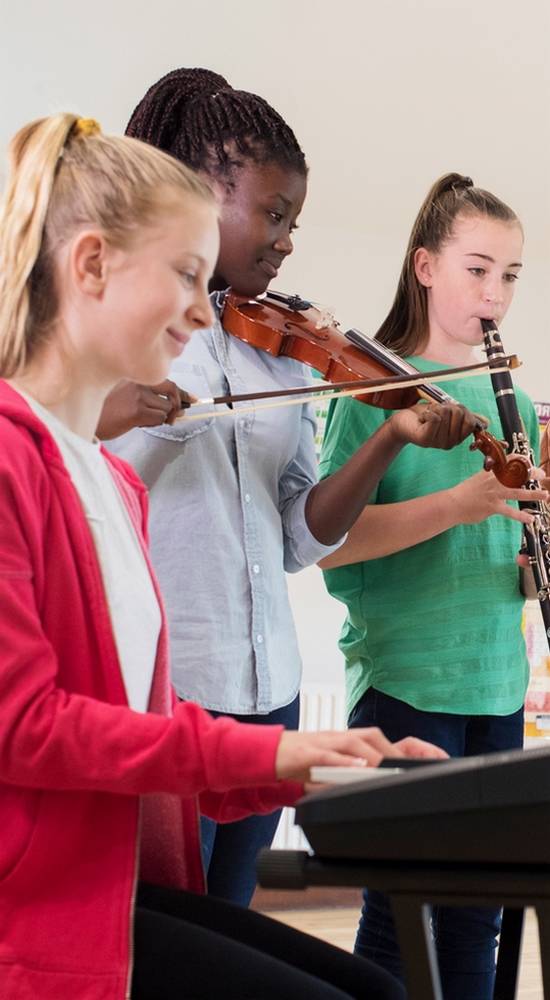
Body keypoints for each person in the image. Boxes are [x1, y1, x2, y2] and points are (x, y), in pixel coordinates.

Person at [0, 109, 455, 1000]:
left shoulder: (105, 483)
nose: (202, 311)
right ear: (90, 265)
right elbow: (25, 728)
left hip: (122, 890)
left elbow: (153, 727)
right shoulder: (16, 459)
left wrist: (329, 767)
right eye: (184, 276)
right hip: (42, 911)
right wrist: (279, 760)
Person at [100, 69, 482, 907]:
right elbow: (82, 483)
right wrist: (139, 410)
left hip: (266, 692)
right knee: (168, 944)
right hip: (170, 697)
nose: (286, 241)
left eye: (293, 222)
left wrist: (386, 436)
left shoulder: (280, 350)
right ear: (201, 197)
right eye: (273, 215)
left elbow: (299, 539)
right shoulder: (125, 331)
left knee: (231, 927)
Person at [319, 173, 548, 1000]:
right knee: (402, 913)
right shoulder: (369, 386)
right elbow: (330, 546)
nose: (497, 293)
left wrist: (528, 564)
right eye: (478, 269)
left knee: (481, 917)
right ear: (425, 266)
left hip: (495, 678)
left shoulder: (515, 395)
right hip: (408, 680)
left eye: (512, 275)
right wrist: (460, 503)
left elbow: (496, 551)